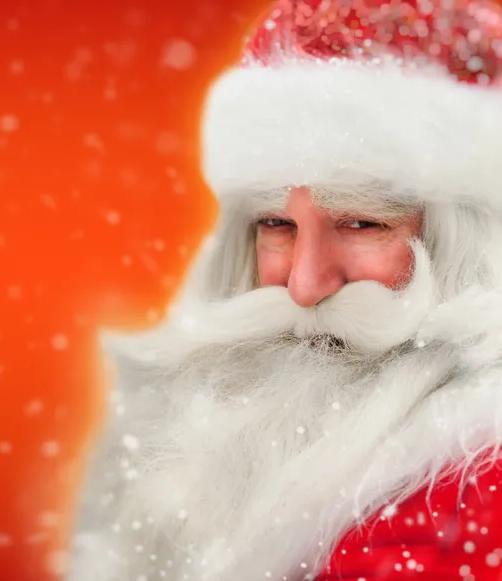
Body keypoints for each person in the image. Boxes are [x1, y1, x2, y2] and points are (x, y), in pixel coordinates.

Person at [68, 0, 502, 579]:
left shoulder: (472, 507)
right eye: (276, 225)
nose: (303, 286)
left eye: (363, 223)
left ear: (474, 248)